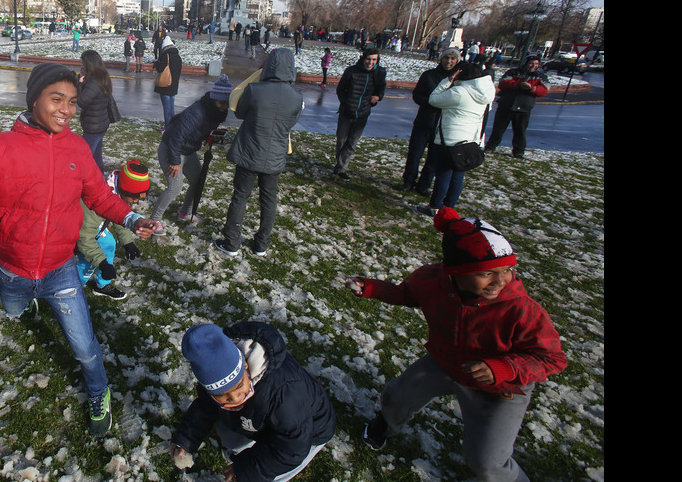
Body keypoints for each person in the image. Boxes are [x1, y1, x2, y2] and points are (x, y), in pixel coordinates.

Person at [0, 62, 158, 437]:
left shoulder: (78, 148)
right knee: (15, 311)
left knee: (84, 346)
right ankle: (26, 301)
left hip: (60, 269)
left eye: (72, 102)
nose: (66, 110)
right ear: (34, 99)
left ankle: (99, 392)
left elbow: (99, 195)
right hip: (13, 269)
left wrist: (131, 220)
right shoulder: (0, 148)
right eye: (56, 99)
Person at [347, 207, 567, 482]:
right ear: (455, 272)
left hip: (501, 386)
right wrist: (372, 288)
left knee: (486, 462)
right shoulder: (432, 280)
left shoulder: (521, 308)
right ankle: (387, 424)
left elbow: (552, 358)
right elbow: (407, 294)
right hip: (446, 362)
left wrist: (503, 369)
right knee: (395, 396)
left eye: (508, 270)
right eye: (486, 274)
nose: (501, 281)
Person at [170, 321, 336, 482]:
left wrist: (248, 469)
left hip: (309, 432)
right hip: (263, 419)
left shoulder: (283, 391)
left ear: (247, 367)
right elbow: (205, 406)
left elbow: (293, 446)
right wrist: (186, 439)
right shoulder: (216, 378)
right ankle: (244, 450)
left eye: (240, 385)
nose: (235, 397)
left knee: (264, 473)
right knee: (223, 416)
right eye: (223, 395)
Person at [215, 48, 302, 257]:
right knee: (269, 199)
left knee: (240, 196)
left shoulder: (255, 89)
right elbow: (291, 122)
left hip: (250, 152)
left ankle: (232, 242)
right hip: (275, 156)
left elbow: (241, 112)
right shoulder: (297, 97)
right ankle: (261, 244)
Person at [150, 75, 233, 234]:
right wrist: (174, 162)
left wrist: (211, 135)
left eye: (226, 102)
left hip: (188, 150)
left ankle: (185, 213)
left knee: (198, 181)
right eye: (221, 102)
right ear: (214, 99)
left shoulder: (215, 112)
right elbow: (176, 137)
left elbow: (199, 131)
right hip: (171, 149)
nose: (224, 106)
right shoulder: (198, 112)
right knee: (175, 187)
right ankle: (154, 219)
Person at [421, 61, 496, 216]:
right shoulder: (485, 95)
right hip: (469, 141)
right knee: (458, 176)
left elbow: (433, 99)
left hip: (448, 140)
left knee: (443, 175)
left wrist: (446, 81)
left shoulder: (459, 92)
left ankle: (434, 207)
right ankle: (448, 207)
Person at [75, 160, 151, 300]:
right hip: (79, 229)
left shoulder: (116, 189)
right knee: (88, 259)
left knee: (109, 243)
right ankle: (73, 287)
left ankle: (102, 285)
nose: (135, 202)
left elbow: (117, 214)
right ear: (124, 190)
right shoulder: (94, 202)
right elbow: (84, 238)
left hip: (92, 228)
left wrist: (127, 242)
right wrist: (102, 263)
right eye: (134, 198)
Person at [400, 47, 462, 194]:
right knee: (414, 154)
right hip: (424, 121)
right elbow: (417, 95)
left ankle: (424, 185)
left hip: (444, 125)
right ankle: (408, 181)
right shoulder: (429, 75)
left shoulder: (459, 80)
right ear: (441, 59)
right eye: (447, 58)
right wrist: (432, 102)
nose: (449, 61)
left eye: (453, 59)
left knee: (434, 158)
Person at [332, 48, 387, 180]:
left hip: (363, 113)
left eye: (374, 60)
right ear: (363, 59)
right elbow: (340, 89)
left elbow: (381, 89)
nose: (371, 62)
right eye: (368, 59)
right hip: (346, 112)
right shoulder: (352, 71)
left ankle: (341, 168)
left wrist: (377, 98)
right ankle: (339, 163)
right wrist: (346, 102)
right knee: (341, 140)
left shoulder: (380, 73)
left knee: (352, 143)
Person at [484, 55, 549, 159]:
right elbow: (503, 83)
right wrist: (518, 85)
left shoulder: (541, 76)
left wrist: (531, 88)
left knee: (520, 131)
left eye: (536, 64)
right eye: (531, 63)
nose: (533, 66)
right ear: (526, 63)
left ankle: (518, 151)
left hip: (524, 108)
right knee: (498, 129)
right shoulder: (513, 72)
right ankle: (490, 147)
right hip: (506, 105)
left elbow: (544, 90)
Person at [78, 50, 114, 172]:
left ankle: (87, 182)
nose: (82, 66)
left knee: (84, 158)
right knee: (96, 156)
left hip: (93, 126)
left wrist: (80, 84)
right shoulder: (103, 76)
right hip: (100, 123)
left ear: (89, 64)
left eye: (83, 64)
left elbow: (82, 101)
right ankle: (99, 176)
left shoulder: (94, 81)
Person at [154, 36, 183, 128]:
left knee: (166, 109)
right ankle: (173, 125)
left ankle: (167, 127)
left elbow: (160, 69)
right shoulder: (178, 57)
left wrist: (156, 63)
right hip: (174, 85)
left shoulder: (165, 56)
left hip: (165, 85)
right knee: (171, 108)